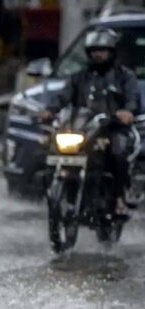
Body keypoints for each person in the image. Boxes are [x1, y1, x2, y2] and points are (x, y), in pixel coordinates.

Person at [39, 28, 140, 215]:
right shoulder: (79, 77)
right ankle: (59, 193)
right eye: (94, 50)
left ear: (112, 52)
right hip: (83, 128)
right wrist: (49, 110)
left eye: (102, 50)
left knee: (118, 152)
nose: (98, 54)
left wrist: (127, 111)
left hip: (112, 128)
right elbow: (63, 96)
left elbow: (133, 98)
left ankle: (120, 197)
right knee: (50, 148)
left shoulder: (124, 76)